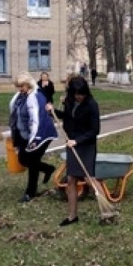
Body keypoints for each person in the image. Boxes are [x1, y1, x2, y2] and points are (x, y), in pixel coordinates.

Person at [46, 76, 100, 226]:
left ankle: (106, 209)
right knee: (71, 179)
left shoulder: (91, 105)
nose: (79, 97)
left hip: (86, 145)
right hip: (71, 144)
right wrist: (53, 111)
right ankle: (72, 216)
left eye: (81, 94)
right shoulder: (70, 101)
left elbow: (95, 130)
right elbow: (67, 117)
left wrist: (78, 140)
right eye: (76, 94)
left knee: (89, 178)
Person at [9, 72, 58, 203]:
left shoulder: (35, 97)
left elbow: (36, 120)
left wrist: (34, 140)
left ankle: (30, 193)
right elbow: (15, 114)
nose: (19, 89)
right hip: (27, 133)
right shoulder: (22, 96)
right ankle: (48, 168)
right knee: (23, 159)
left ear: (28, 84)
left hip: (42, 133)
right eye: (18, 87)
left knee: (33, 160)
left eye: (21, 86)